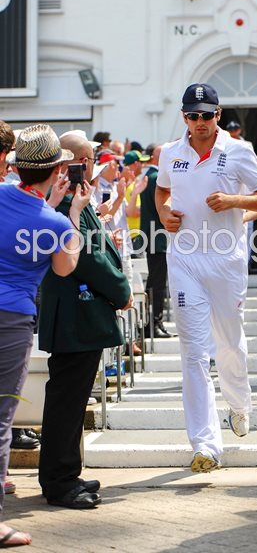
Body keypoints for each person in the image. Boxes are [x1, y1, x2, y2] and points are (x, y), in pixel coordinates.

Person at [155, 83, 257, 472]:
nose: (200, 123)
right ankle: (205, 445)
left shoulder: (239, 151)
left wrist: (233, 201)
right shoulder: (172, 152)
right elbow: (162, 193)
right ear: (184, 116)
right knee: (193, 351)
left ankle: (239, 405)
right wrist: (164, 215)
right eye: (193, 115)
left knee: (228, 342)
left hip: (226, 259)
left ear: (218, 115)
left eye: (207, 115)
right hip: (185, 258)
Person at [0, 123, 90, 547]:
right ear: (58, 171)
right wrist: (69, 218)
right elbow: (63, 268)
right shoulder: (53, 223)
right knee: (1, 417)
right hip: (11, 319)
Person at [38, 132, 132, 510]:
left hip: (80, 315)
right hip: (75, 315)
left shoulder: (75, 197)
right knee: (66, 401)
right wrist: (122, 290)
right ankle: (60, 481)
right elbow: (90, 257)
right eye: (90, 159)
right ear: (81, 162)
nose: (93, 164)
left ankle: (66, 472)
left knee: (73, 401)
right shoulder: (65, 203)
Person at [140, 145, 174, 338]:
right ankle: (153, 323)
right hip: (157, 236)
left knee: (157, 282)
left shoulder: (151, 177)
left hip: (155, 235)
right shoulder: (155, 179)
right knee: (157, 284)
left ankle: (154, 323)